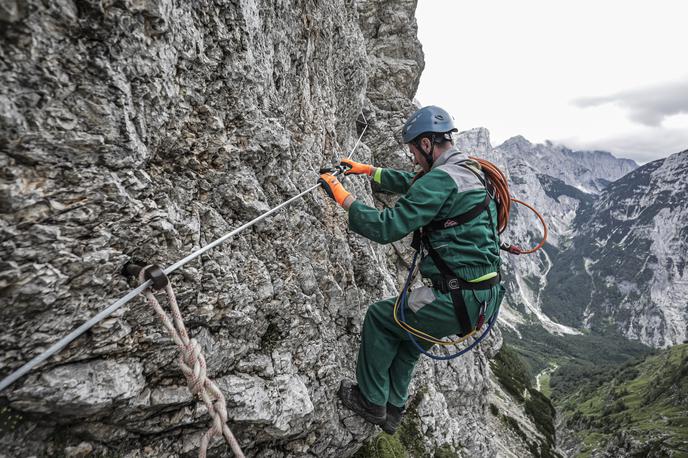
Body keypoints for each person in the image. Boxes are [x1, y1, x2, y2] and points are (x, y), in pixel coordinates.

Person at [318, 106, 504, 434]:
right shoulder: (468, 170)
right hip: (481, 297)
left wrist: (342, 197)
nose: (414, 157)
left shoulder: (442, 178)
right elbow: (415, 183)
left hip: (455, 296)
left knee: (380, 318)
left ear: (428, 144)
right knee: (411, 339)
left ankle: (371, 400)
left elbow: (387, 227)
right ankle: (393, 410)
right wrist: (367, 170)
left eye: (415, 150)